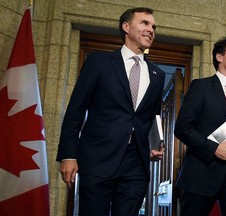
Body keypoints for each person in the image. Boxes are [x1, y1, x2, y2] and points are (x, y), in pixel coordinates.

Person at [56, 7, 165, 216]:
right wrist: (68, 155)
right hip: (98, 159)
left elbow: (151, 117)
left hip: (136, 165)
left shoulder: (157, 74)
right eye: (144, 23)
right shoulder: (99, 62)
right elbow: (75, 111)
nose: (151, 29)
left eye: (153, 26)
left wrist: (152, 146)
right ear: (126, 26)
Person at [174, 36, 226, 216]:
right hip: (202, 173)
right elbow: (182, 128)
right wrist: (214, 148)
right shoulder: (201, 86)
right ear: (219, 56)